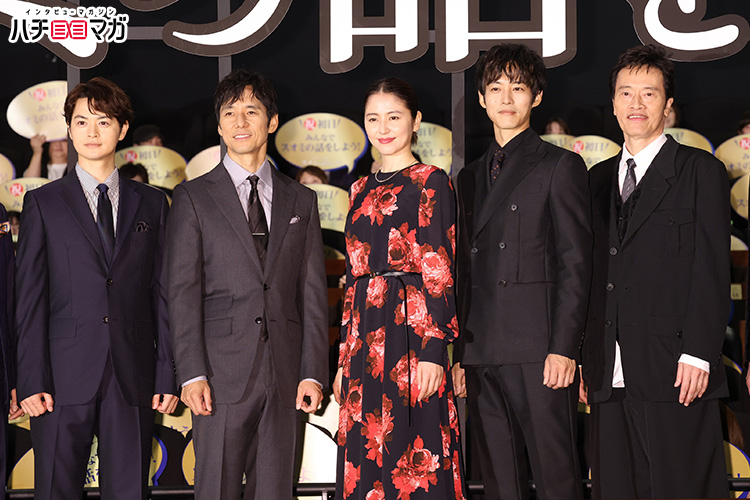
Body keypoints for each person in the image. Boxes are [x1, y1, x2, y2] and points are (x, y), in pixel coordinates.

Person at [166, 69, 328, 500]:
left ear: (271, 121)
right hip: (218, 377)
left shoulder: (302, 199)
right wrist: (191, 373)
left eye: (251, 111)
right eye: (229, 112)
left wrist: (312, 373)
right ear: (219, 127)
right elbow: (181, 293)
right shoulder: (193, 197)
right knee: (215, 490)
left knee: (276, 492)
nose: (240, 121)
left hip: (286, 376)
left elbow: (312, 294)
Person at [15, 77, 178, 500]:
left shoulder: (153, 203)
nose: (92, 132)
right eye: (82, 122)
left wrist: (167, 373)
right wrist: (30, 378)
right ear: (69, 129)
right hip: (59, 378)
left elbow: (163, 295)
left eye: (103, 121)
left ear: (122, 130)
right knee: (55, 488)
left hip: (133, 374)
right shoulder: (43, 203)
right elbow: (30, 298)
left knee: (129, 491)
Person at [582, 45, 730, 499]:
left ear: (668, 105)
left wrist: (698, 354)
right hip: (608, 368)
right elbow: (587, 275)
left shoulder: (700, 171)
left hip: (675, 368)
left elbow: (711, 269)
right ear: (613, 104)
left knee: (680, 487)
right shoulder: (595, 179)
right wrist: (585, 356)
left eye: (649, 93)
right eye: (626, 93)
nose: (636, 104)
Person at [452, 43, 591, 500]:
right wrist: (460, 354)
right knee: (499, 481)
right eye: (495, 88)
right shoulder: (469, 177)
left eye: (518, 87)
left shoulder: (560, 165)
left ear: (537, 96)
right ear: (481, 99)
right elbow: (463, 271)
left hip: (539, 348)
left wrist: (565, 348)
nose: (506, 98)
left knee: (556, 476)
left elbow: (576, 262)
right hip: (481, 347)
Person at [332, 77, 465, 500]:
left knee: (414, 456)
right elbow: (353, 279)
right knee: (365, 459)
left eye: (394, 117)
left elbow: (439, 268)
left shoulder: (431, 180)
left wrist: (434, 350)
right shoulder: (358, 189)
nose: (383, 127)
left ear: (416, 121)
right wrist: (342, 359)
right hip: (362, 343)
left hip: (411, 338)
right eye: (373, 118)